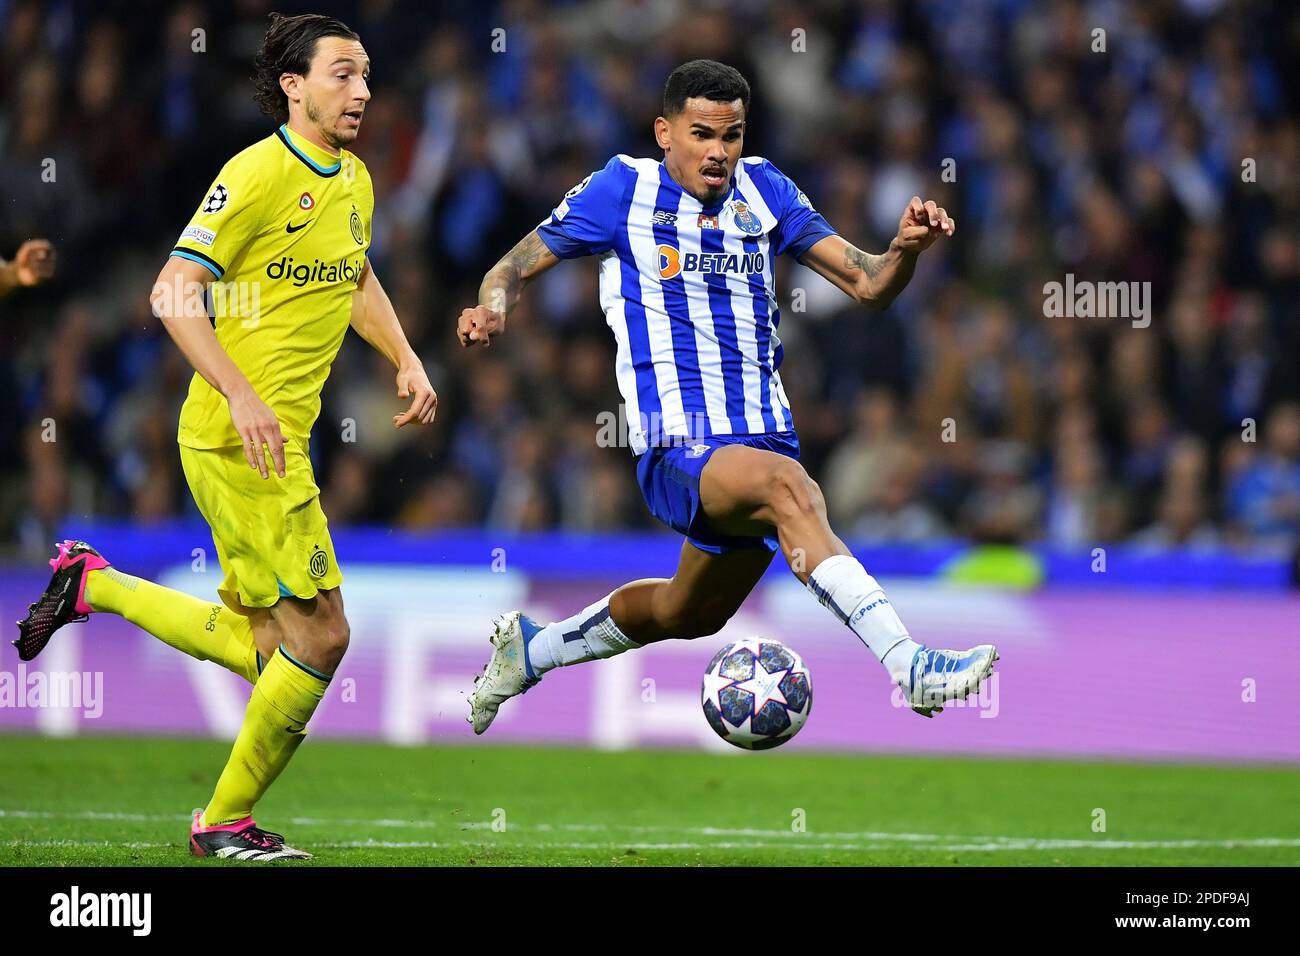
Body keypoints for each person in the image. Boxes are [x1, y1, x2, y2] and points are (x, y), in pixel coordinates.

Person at [461, 60, 996, 738]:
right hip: (679, 444)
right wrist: (494, 307)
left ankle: (530, 651)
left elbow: (866, 283)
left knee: (690, 613)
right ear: (665, 132)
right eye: (703, 134)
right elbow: (509, 265)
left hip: (762, 435)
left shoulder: (766, 189)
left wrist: (904, 251)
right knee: (790, 491)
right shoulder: (623, 190)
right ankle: (908, 662)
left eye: (733, 135)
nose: (719, 151)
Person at [14, 13, 436, 861]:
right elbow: (173, 291)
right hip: (241, 437)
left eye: (365, 77)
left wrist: (405, 354)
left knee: (272, 648)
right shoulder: (255, 174)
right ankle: (224, 822)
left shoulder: (352, 178)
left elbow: (352, 274)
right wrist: (239, 393)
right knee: (323, 637)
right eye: (342, 74)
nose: (361, 91)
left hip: (273, 437)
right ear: (293, 84)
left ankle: (95, 586)